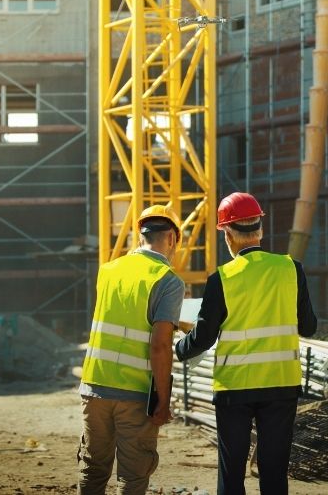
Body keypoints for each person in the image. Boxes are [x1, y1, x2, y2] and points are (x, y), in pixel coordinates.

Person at [175, 192, 317, 495]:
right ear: (260, 230)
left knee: (232, 471)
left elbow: (203, 338)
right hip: (281, 385)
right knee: (275, 471)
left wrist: (179, 349)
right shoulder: (292, 269)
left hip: (234, 389)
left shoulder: (221, 279)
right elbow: (310, 327)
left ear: (228, 235)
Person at [77, 205, 185, 495]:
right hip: (134, 395)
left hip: (93, 387)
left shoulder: (108, 271)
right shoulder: (168, 280)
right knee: (133, 476)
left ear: (140, 235)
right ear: (173, 238)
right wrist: (163, 400)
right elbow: (160, 345)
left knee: (93, 470)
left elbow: (123, 317)